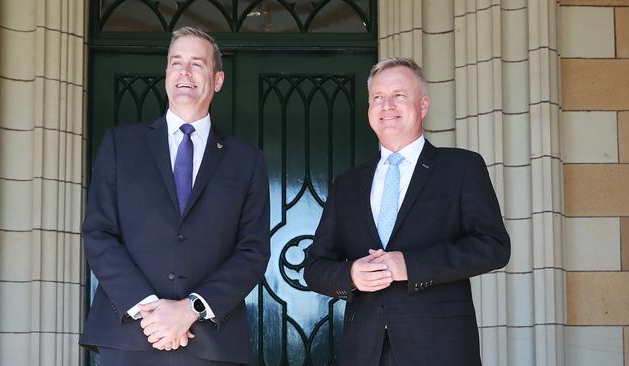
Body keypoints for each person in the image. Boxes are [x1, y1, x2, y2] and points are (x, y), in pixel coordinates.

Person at [80, 26, 270, 365]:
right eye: (175, 62)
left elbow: (253, 252)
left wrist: (191, 309)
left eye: (197, 64)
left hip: (212, 342)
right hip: (129, 336)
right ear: (166, 72)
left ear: (218, 79)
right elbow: (98, 233)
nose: (184, 72)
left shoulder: (247, 160)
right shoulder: (121, 145)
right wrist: (150, 309)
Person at [303, 57, 511, 366]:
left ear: (423, 105)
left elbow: (494, 247)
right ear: (369, 110)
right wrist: (351, 275)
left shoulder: (462, 167)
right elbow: (315, 266)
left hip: (440, 348)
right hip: (364, 351)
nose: (387, 105)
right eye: (378, 98)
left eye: (399, 95)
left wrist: (410, 265)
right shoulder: (347, 184)